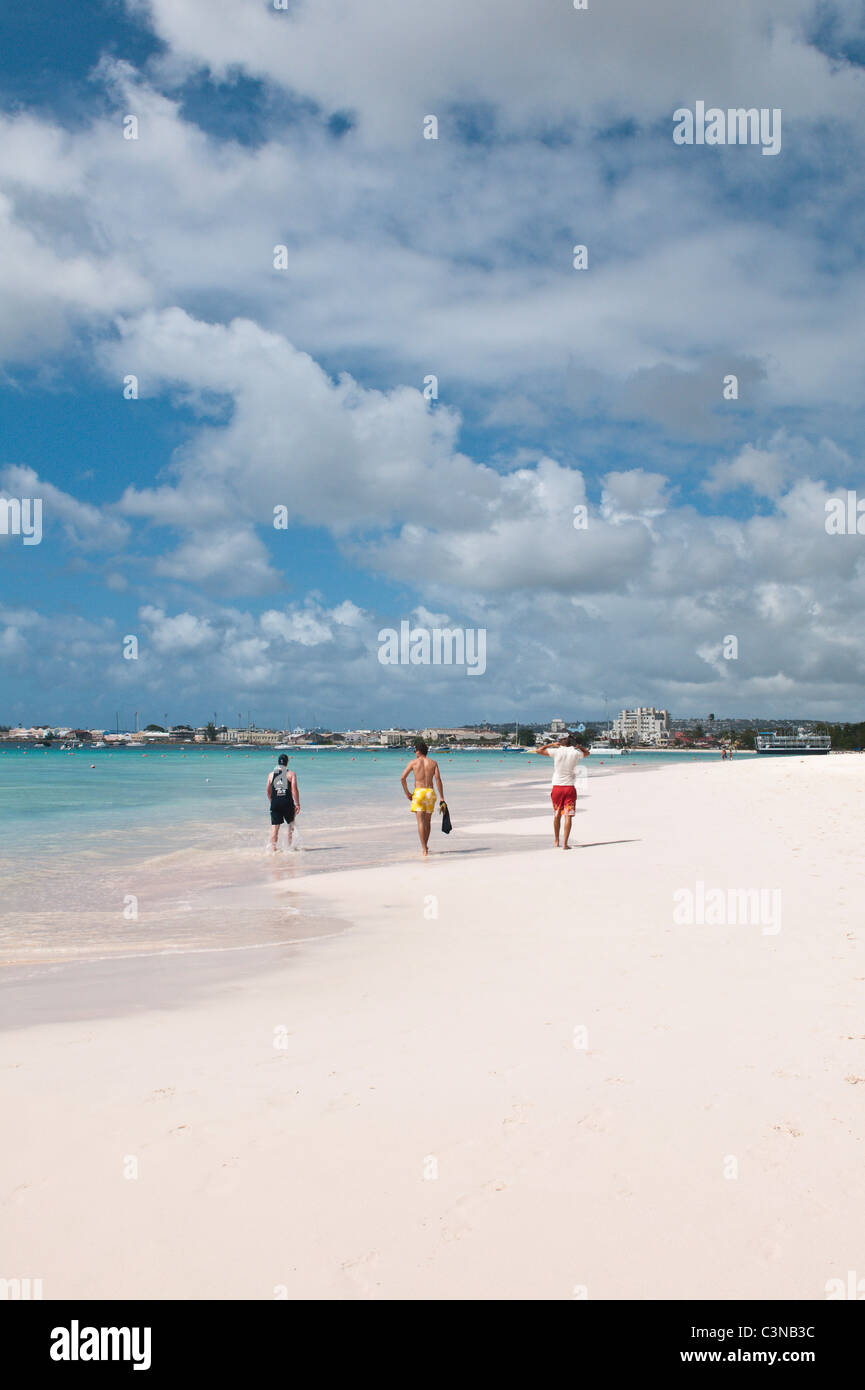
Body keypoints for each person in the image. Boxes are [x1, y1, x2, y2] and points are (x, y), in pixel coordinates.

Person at [533, 731, 589, 849]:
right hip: (569, 787)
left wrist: (551, 745)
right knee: (568, 816)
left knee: (557, 814)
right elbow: (587, 753)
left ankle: (556, 841)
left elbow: (538, 750)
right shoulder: (575, 752)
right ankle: (565, 844)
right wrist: (579, 747)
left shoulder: (556, 751)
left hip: (557, 787)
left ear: (561, 743)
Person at [400, 737, 444, 858]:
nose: (415, 753)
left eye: (415, 751)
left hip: (418, 792)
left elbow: (402, 778)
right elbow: (438, 780)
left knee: (420, 822)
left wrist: (407, 793)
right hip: (430, 792)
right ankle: (426, 845)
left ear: (418, 751)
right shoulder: (433, 763)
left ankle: (424, 848)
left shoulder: (413, 763)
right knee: (428, 821)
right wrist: (442, 797)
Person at [266, 753, 300, 850]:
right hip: (287, 803)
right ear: (287, 762)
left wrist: (271, 801)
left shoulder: (271, 775)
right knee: (291, 825)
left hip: (275, 803)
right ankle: (289, 847)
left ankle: (273, 849)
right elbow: (294, 790)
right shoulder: (291, 774)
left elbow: (268, 790)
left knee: (275, 827)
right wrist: (297, 803)